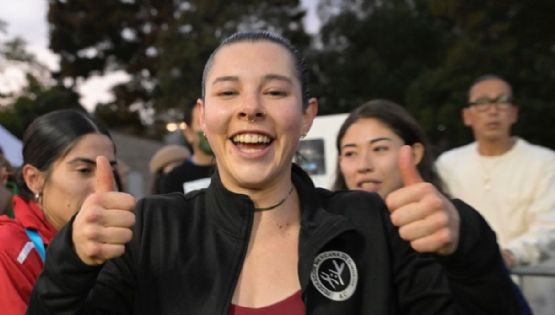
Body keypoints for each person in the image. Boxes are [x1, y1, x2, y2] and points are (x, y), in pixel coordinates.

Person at [28, 31, 520, 314]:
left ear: (306, 116)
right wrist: (71, 263)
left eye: (275, 92)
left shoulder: (372, 227)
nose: (250, 109)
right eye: (228, 92)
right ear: (202, 117)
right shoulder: (150, 230)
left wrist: (468, 245)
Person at [334, 99, 532, 314]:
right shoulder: (325, 233)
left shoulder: (450, 232)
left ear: (415, 153)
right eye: (350, 153)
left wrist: (468, 248)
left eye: (379, 148)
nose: (364, 165)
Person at [0, 109, 118, 315]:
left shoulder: (119, 242)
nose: (103, 187)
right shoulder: (7, 248)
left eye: (111, 171)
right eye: (84, 170)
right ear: (34, 179)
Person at [436, 74, 555, 268]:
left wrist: (508, 256)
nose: (493, 110)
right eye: (482, 102)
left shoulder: (545, 162)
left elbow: (549, 228)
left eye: (502, 101)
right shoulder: (448, 164)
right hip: (469, 283)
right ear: (467, 116)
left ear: (514, 113)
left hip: (531, 284)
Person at [159, 102, 215, 193]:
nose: (209, 127)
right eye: (202, 122)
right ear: (188, 133)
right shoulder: (174, 179)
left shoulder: (236, 171)